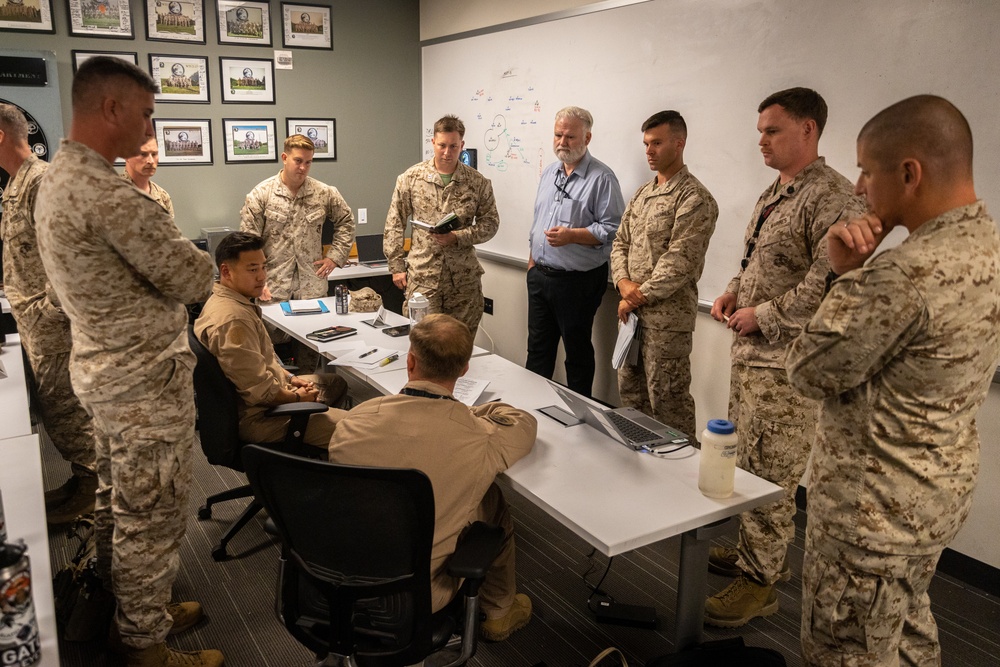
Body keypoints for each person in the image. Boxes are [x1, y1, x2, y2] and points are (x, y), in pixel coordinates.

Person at [786, 96, 1000, 666]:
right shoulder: (989, 246)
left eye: (867, 170)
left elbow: (808, 369)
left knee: (846, 648)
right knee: (904, 630)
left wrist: (843, 275)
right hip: (934, 494)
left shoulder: (902, 273)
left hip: (871, 514)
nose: (858, 188)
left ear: (909, 173)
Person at [33, 57, 221, 667]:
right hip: (143, 385)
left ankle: (136, 610)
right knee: (151, 517)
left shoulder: (55, 179)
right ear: (110, 108)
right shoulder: (107, 193)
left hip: (103, 373)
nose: (149, 128)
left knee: (120, 502)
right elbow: (194, 274)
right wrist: (194, 264)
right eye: (145, 113)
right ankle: (147, 646)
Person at [706, 87, 865, 627]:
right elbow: (755, 262)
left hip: (788, 364)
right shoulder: (778, 191)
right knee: (746, 459)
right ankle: (757, 549)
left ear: (808, 130)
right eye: (760, 132)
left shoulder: (835, 199)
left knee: (771, 469)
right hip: (752, 355)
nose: (762, 142)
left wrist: (763, 316)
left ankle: (761, 581)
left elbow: (825, 287)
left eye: (772, 131)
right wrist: (732, 292)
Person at [328, 313, 536, 642]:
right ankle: (499, 611)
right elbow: (524, 425)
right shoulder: (480, 438)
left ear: (410, 362)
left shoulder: (356, 420)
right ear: (465, 368)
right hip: (418, 594)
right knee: (490, 499)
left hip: (332, 576)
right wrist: (471, 412)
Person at [0, 102, 99, 525]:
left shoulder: (44, 183)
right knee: (58, 409)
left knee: (68, 410)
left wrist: (45, 310)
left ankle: (95, 488)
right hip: (35, 323)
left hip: (56, 327)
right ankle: (82, 478)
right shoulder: (18, 184)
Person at [610, 110, 718, 438]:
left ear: (679, 143)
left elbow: (679, 262)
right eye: (646, 144)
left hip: (666, 324)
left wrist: (635, 296)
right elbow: (620, 242)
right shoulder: (643, 194)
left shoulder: (695, 198)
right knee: (631, 398)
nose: (649, 151)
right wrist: (623, 283)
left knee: (667, 404)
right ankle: (640, 468)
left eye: (657, 143)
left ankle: (680, 479)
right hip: (632, 318)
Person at [194, 231, 348, 447]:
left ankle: (315, 455)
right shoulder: (232, 320)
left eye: (264, 267)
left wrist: (292, 379)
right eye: (253, 269)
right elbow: (260, 392)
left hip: (267, 396)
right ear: (226, 271)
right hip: (260, 417)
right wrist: (297, 398)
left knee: (334, 383)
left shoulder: (233, 301)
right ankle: (322, 451)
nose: (262, 276)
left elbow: (262, 363)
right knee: (359, 429)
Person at [526, 106, 624, 397]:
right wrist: (532, 262)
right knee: (537, 351)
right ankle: (531, 413)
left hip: (577, 282)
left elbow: (613, 229)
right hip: (540, 276)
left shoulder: (602, 178)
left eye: (570, 136)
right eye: (558, 135)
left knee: (577, 355)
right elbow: (537, 219)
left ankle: (581, 422)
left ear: (587, 138)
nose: (562, 142)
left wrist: (573, 236)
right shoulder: (549, 172)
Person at [241, 134, 355, 369]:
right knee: (267, 356)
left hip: (311, 289)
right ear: (284, 158)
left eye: (308, 162)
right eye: (298, 161)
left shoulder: (323, 193)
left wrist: (335, 257)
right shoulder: (262, 194)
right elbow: (248, 244)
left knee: (310, 353)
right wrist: (256, 281)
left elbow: (346, 221)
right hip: (272, 288)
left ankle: (308, 397)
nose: (303, 167)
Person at [384, 115, 500, 336]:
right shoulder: (411, 178)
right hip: (424, 277)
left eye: (453, 146)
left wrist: (459, 236)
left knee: (461, 345)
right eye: (442, 146)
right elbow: (394, 222)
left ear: (462, 145)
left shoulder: (477, 182)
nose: (447, 153)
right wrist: (396, 266)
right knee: (424, 343)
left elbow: (491, 223)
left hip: (463, 280)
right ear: (433, 143)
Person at [122, 136, 174, 218]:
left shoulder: (162, 196)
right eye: (143, 154)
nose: (151, 161)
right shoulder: (110, 192)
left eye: (154, 154)